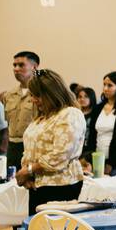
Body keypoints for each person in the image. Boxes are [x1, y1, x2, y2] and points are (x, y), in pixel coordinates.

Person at [14, 69, 85, 215]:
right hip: (37, 186)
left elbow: (59, 156)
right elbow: (29, 149)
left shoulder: (69, 114)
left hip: (60, 186)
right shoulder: (42, 117)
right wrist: (27, 175)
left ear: (53, 93)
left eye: (38, 96)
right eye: (32, 95)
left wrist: (28, 170)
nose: (34, 100)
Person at [84, 71, 116, 175]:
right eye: (104, 85)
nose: (105, 88)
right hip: (98, 160)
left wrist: (111, 163)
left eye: (110, 85)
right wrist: (89, 158)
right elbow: (92, 136)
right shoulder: (98, 108)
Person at [1, 51, 39, 174]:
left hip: (33, 146)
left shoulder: (41, 94)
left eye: (21, 65)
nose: (16, 69)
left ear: (34, 67)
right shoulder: (9, 95)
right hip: (12, 147)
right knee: (11, 183)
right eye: (14, 65)